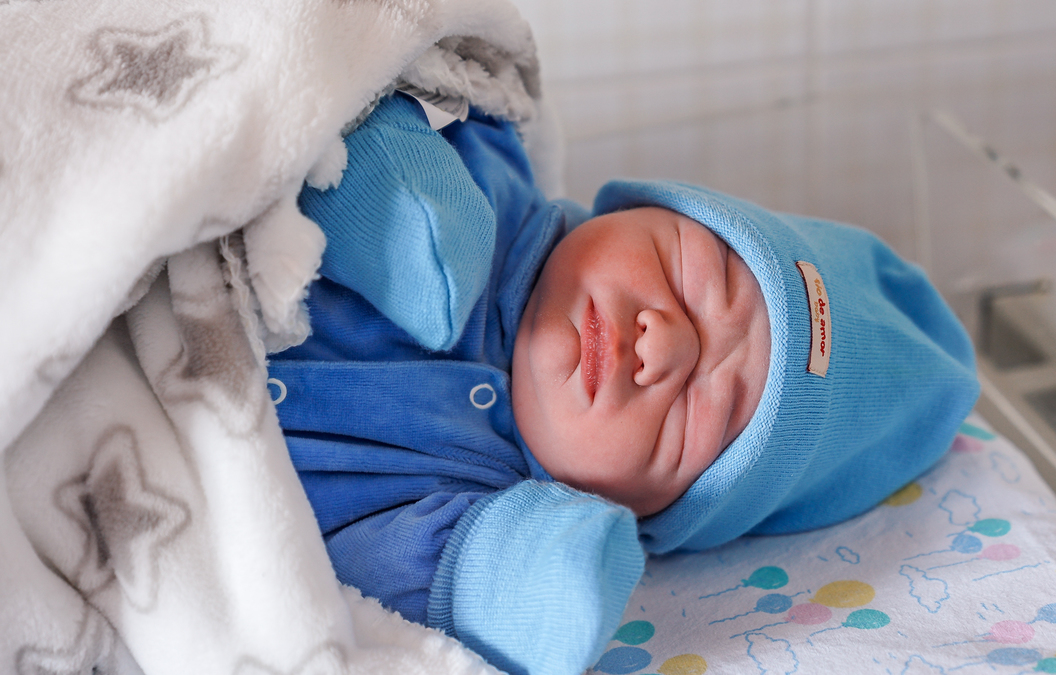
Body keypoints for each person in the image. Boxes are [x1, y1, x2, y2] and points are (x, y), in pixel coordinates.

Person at [267, 93, 979, 675]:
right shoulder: (487, 167)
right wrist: (391, 187)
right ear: (636, 210)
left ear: (649, 512)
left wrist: (531, 580)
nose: (663, 343)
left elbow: (362, 588)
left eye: (703, 409)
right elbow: (340, 84)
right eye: (690, 276)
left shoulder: (459, 509)